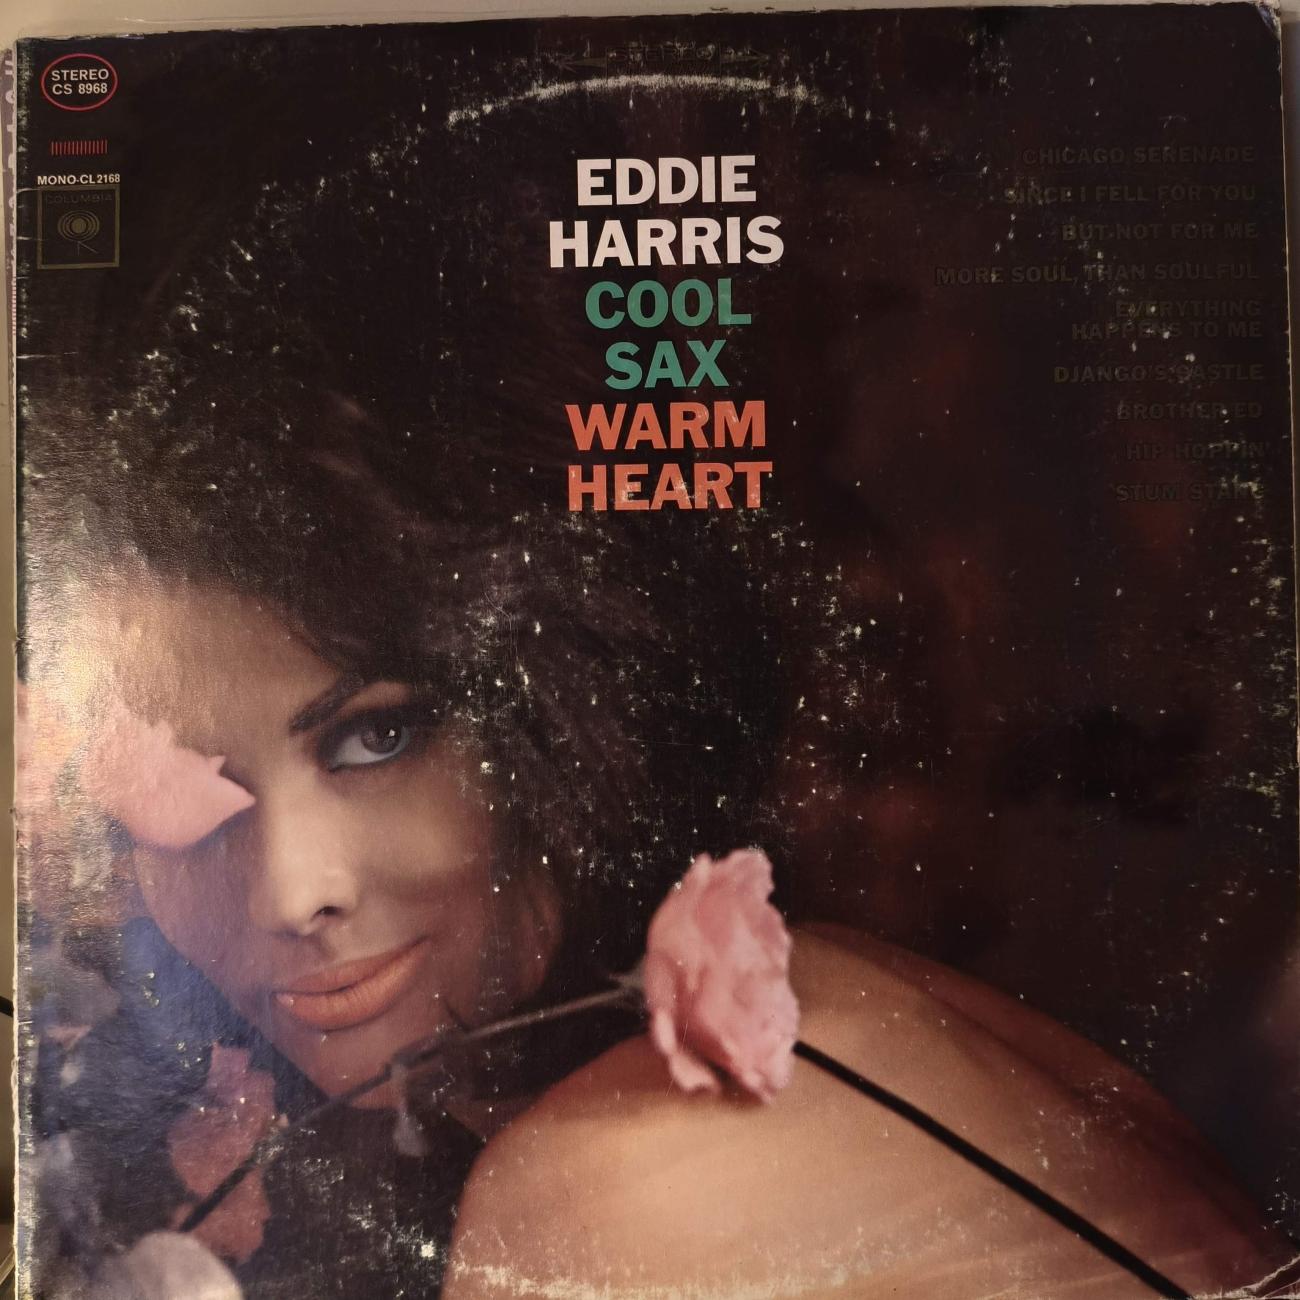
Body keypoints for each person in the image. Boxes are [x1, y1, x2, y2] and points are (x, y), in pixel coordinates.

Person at [18, 81, 1293, 1300]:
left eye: (378, 735)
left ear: (564, 685)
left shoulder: (613, 1184)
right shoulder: (836, 997)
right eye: (188, 794)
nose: (290, 894)